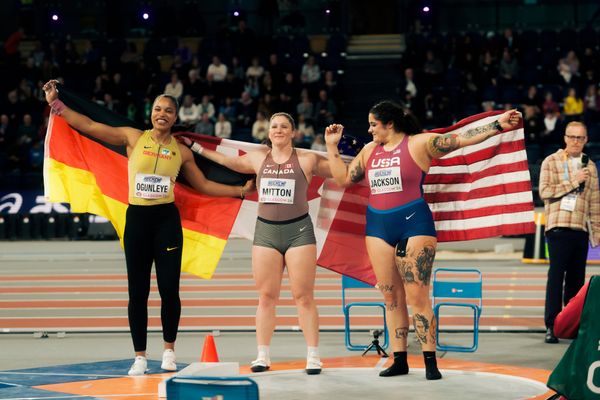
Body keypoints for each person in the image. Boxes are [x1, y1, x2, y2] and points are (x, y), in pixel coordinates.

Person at [42, 79, 254, 376]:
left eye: (168, 110)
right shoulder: (132, 137)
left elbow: (203, 184)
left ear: (175, 117)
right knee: (137, 292)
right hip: (138, 221)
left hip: (166, 222)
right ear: (151, 112)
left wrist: (239, 192)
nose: (162, 114)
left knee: (170, 290)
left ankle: (169, 351)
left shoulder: (182, 151)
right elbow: (89, 126)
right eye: (157, 109)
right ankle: (139, 356)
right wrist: (56, 104)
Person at [324, 100, 520, 380]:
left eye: (373, 125)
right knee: (391, 297)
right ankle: (399, 359)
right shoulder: (370, 151)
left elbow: (461, 139)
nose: (369, 131)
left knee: (417, 296)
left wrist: (498, 124)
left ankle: (430, 361)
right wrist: (332, 145)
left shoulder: (419, 144)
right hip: (378, 228)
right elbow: (343, 179)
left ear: (390, 124)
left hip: (414, 224)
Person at [182, 112, 331, 375]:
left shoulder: (307, 159)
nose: (278, 130)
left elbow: (343, 173)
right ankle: (262, 355)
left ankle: (313, 355)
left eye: (284, 126)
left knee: (304, 297)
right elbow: (226, 161)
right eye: (274, 126)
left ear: (293, 132)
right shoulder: (258, 157)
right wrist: (194, 147)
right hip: (266, 233)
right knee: (266, 297)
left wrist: (338, 148)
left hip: (299, 232)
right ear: (268, 131)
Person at [538, 121, 600, 344]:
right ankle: (551, 325)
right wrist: (573, 181)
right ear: (565, 138)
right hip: (557, 228)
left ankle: (570, 326)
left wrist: (597, 232)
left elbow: (594, 202)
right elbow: (545, 192)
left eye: (580, 138)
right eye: (572, 137)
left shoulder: (590, 166)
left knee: (576, 281)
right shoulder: (551, 161)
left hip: (580, 229)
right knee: (556, 277)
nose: (576, 142)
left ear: (586, 141)